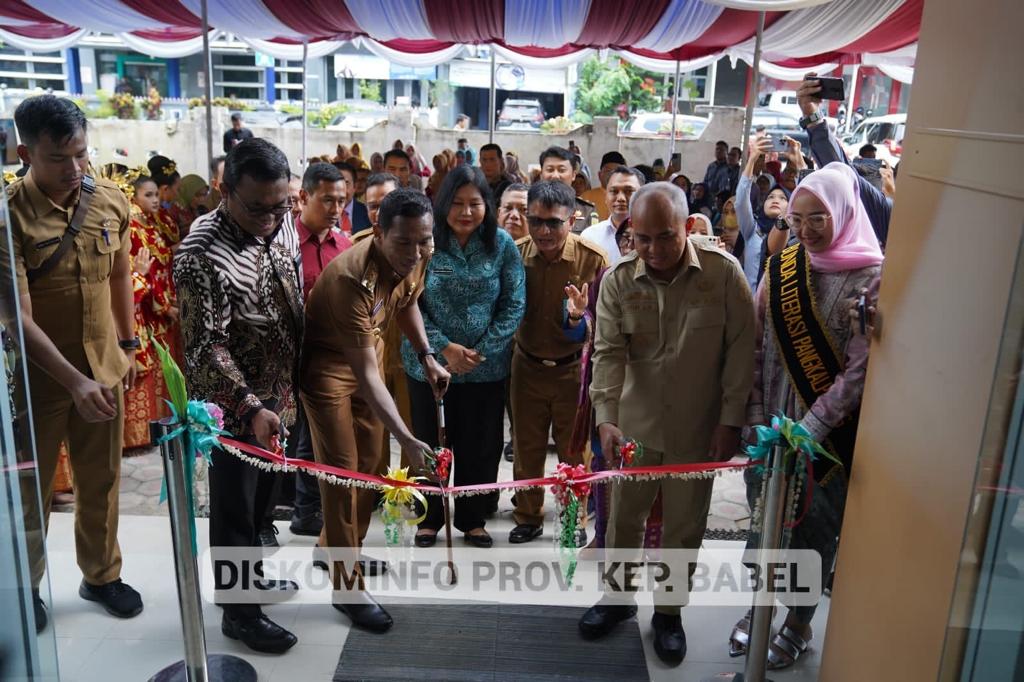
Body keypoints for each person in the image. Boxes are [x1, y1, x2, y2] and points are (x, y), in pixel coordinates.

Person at [578, 181, 755, 666]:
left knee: (683, 525)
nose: (653, 250)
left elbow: (741, 351)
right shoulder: (617, 280)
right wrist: (606, 420)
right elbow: (608, 355)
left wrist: (730, 421)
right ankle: (617, 599)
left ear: (688, 227)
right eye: (642, 238)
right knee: (624, 520)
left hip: (698, 431)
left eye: (665, 237)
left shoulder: (722, 275)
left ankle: (669, 614)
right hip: (633, 431)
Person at [727, 161, 883, 670]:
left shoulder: (873, 278)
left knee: (814, 533)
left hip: (828, 438)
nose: (807, 229)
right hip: (770, 429)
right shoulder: (781, 268)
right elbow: (753, 346)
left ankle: (798, 623)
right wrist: (754, 417)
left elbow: (860, 372)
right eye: (797, 219)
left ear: (843, 211)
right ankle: (760, 609)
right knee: (765, 524)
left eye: (819, 217)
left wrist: (808, 430)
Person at [9, 95, 143, 630]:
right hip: (40, 381)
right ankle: (24, 589)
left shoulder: (108, 201)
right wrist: (75, 382)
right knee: (30, 490)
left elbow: (118, 275)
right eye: (58, 159)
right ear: (25, 152)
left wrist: (129, 346)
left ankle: (102, 575)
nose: (74, 169)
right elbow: (17, 321)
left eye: (81, 155)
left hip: (102, 369)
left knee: (102, 481)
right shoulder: (8, 218)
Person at [174, 138, 302, 654]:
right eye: (258, 208)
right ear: (226, 192)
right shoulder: (200, 255)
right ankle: (238, 614)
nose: (272, 218)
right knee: (233, 511)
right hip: (236, 409)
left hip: (281, 398)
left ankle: (251, 584)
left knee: (263, 509)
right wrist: (250, 406)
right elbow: (206, 349)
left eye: (281, 205)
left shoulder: (279, 216)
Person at [300, 189, 449, 633]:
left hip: (369, 353)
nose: (416, 252)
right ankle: (347, 588)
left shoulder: (418, 249)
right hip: (329, 368)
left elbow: (406, 302)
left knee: (372, 464)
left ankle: (335, 547)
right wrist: (408, 438)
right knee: (342, 472)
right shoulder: (352, 277)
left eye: (424, 241)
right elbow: (365, 374)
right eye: (404, 243)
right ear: (380, 231)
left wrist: (426, 354)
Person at [405, 167, 525, 548]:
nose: (466, 211)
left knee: (480, 444)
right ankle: (429, 518)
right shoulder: (425, 241)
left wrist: (480, 351)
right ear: (442, 205)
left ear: (487, 205)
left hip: (484, 368)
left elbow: (514, 303)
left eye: (475, 203)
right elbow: (408, 301)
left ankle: (473, 519)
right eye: (457, 203)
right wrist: (444, 349)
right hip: (427, 364)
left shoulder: (502, 244)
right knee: (429, 441)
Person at [508, 181, 608, 545]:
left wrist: (577, 319)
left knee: (572, 449)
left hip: (572, 371)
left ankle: (572, 519)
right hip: (527, 365)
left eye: (554, 223)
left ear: (573, 219)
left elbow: (602, 325)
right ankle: (528, 515)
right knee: (527, 446)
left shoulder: (593, 259)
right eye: (536, 221)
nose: (544, 231)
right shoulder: (515, 255)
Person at [288, 163, 353, 538]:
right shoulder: (282, 242)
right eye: (327, 199)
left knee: (318, 440)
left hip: (328, 360)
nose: (335, 209)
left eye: (341, 201)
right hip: (286, 357)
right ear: (303, 197)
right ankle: (270, 518)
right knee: (286, 435)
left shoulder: (344, 246)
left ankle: (310, 511)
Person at [797, 73, 892, 247]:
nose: (805, 230)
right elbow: (842, 172)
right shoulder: (891, 215)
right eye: (796, 219)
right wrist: (812, 117)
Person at [123, 172, 180, 449]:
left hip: (159, 301)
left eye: (157, 194)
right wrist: (163, 305)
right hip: (146, 308)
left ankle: (157, 427)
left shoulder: (153, 223)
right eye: (148, 195)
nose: (155, 199)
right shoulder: (132, 229)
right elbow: (142, 271)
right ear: (132, 197)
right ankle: (139, 436)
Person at [580, 165, 643, 266]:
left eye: (628, 191)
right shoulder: (590, 237)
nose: (621, 198)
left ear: (643, 195)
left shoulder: (653, 237)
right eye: (614, 191)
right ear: (605, 197)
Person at [539, 146, 595, 234]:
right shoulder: (530, 206)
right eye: (550, 170)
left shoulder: (586, 210)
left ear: (573, 175)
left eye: (561, 170)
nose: (555, 176)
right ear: (541, 174)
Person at [581, 151, 626, 221]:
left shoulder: (629, 198)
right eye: (608, 171)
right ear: (599, 175)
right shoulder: (585, 197)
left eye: (616, 171)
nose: (612, 174)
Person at [331, 161, 369, 235]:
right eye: (335, 183)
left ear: (355, 186)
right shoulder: (320, 215)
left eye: (346, 183)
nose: (340, 189)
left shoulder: (367, 213)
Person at [169, 173, 210, 239]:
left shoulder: (202, 209)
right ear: (187, 193)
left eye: (205, 194)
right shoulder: (174, 212)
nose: (202, 199)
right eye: (198, 195)